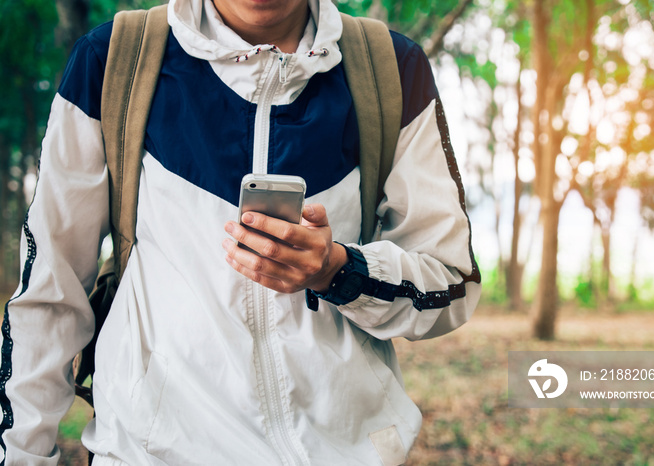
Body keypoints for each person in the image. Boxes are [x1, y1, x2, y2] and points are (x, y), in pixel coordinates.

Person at [0, 0, 481, 464]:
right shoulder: (113, 62)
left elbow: (452, 282)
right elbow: (49, 298)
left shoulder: (391, 69)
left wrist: (339, 271)